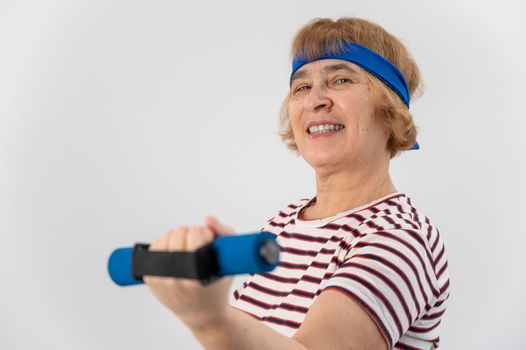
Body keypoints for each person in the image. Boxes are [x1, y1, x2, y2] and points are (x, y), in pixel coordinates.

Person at [144, 17, 450, 350]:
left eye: (341, 79)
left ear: (390, 110)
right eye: (301, 87)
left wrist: (210, 319)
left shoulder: (399, 239)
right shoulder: (282, 223)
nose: (315, 99)